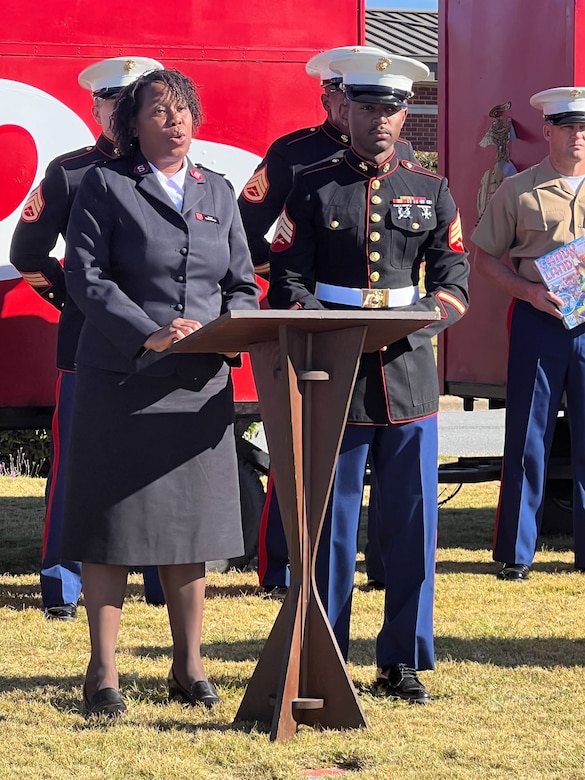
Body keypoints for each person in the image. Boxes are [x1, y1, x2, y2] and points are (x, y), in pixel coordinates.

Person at [268, 49, 469, 703]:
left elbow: (452, 283)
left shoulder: (431, 191)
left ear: (403, 114)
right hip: (335, 375)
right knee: (330, 526)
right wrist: (308, 319)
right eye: (366, 108)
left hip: (407, 376)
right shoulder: (312, 187)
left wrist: (418, 323)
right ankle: (323, 654)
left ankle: (402, 660)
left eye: (390, 109)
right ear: (343, 110)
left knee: (411, 525)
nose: (378, 120)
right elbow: (287, 279)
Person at [61, 68, 259, 716]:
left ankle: (189, 665)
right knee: (110, 527)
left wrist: (218, 330)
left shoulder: (218, 191)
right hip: (122, 380)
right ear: (133, 124)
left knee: (190, 529)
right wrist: (149, 333)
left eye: (182, 111)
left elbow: (240, 283)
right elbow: (85, 278)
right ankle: (102, 672)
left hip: (199, 383)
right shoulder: (105, 184)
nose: (174, 121)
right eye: (158, 111)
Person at [238, 45, 417, 594]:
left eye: (362, 100)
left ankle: (383, 566)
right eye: (345, 98)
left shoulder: (401, 158)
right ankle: (279, 564)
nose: (354, 110)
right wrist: (293, 280)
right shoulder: (292, 154)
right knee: (298, 451)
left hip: (382, 334)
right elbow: (245, 228)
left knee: (387, 459)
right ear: (329, 97)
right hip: (313, 318)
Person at [10, 56, 166, 620]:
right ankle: (63, 586)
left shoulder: (170, 174)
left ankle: (160, 581)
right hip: (86, 347)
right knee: (76, 467)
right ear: (94, 107)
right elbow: (26, 254)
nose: (120, 112)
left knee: (157, 464)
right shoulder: (69, 171)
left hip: (159, 345)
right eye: (110, 102)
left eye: (132, 101)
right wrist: (76, 302)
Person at [471, 87, 585, 581]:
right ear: (548, 131)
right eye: (569, 127)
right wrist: (528, 292)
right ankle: (516, 553)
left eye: (584, 128)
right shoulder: (517, 191)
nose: (578, 136)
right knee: (527, 437)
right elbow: (485, 259)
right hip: (540, 317)